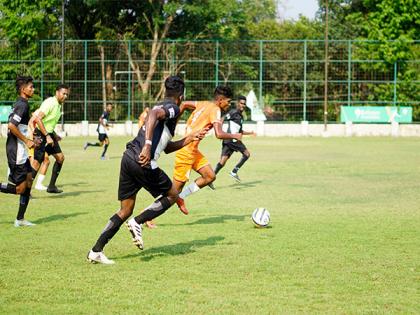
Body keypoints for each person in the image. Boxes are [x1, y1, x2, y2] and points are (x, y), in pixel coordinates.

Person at [87, 75, 207, 264]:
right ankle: (138, 222)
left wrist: (190, 138)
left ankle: (96, 251)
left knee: (125, 210)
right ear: (181, 95)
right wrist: (147, 146)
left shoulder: (166, 111)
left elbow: (166, 148)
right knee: (173, 195)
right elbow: (152, 114)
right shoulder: (172, 108)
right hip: (143, 161)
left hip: (128, 158)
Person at [172, 85, 242, 215]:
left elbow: (184, 104)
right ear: (221, 100)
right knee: (173, 191)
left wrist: (174, 122)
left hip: (193, 150)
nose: (229, 104)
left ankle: (180, 198)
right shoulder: (215, 109)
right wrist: (235, 135)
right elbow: (219, 134)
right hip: (186, 152)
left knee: (210, 176)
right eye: (228, 101)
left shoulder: (204, 103)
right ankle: (146, 216)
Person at [0, 75, 38, 226]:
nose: (33, 89)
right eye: (30, 87)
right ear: (23, 90)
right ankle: (19, 219)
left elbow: (19, 127)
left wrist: (31, 139)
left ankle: (20, 219)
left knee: (29, 180)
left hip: (20, 148)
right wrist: (26, 140)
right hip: (17, 152)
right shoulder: (22, 105)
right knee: (19, 189)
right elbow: (11, 126)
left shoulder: (22, 104)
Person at [31, 84, 70, 194]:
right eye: (63, 94)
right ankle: (25, 190)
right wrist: (47, 136)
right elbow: (38, 119)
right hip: (40, 134)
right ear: (57, 92)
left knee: (60, 158)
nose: (65, 96)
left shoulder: (58, 105)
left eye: (67, 94)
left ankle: (51, 186)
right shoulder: (50, 103)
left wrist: (54, 134)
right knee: (36, 163)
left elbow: (49, 122)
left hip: (49, 134)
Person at [212, 95, 256, 185]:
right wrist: (219, 131)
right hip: (232, 140)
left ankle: (210, 179)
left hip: (228, 140)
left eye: (244, 104)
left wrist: (250, 133)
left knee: (222, 162)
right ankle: (234, 172)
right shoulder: (234, 112)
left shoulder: (240, 116)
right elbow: (222, 119)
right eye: (241, 103)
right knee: (247, 154)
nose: (243, 105)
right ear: (237, 103)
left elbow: (240, 132)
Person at [137, 105, 157, 229]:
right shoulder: (146, 116)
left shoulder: (146, 116)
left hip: (141, 152)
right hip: (144, 156)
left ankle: (145, 217)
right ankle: (145, 217)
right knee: (168, 194)